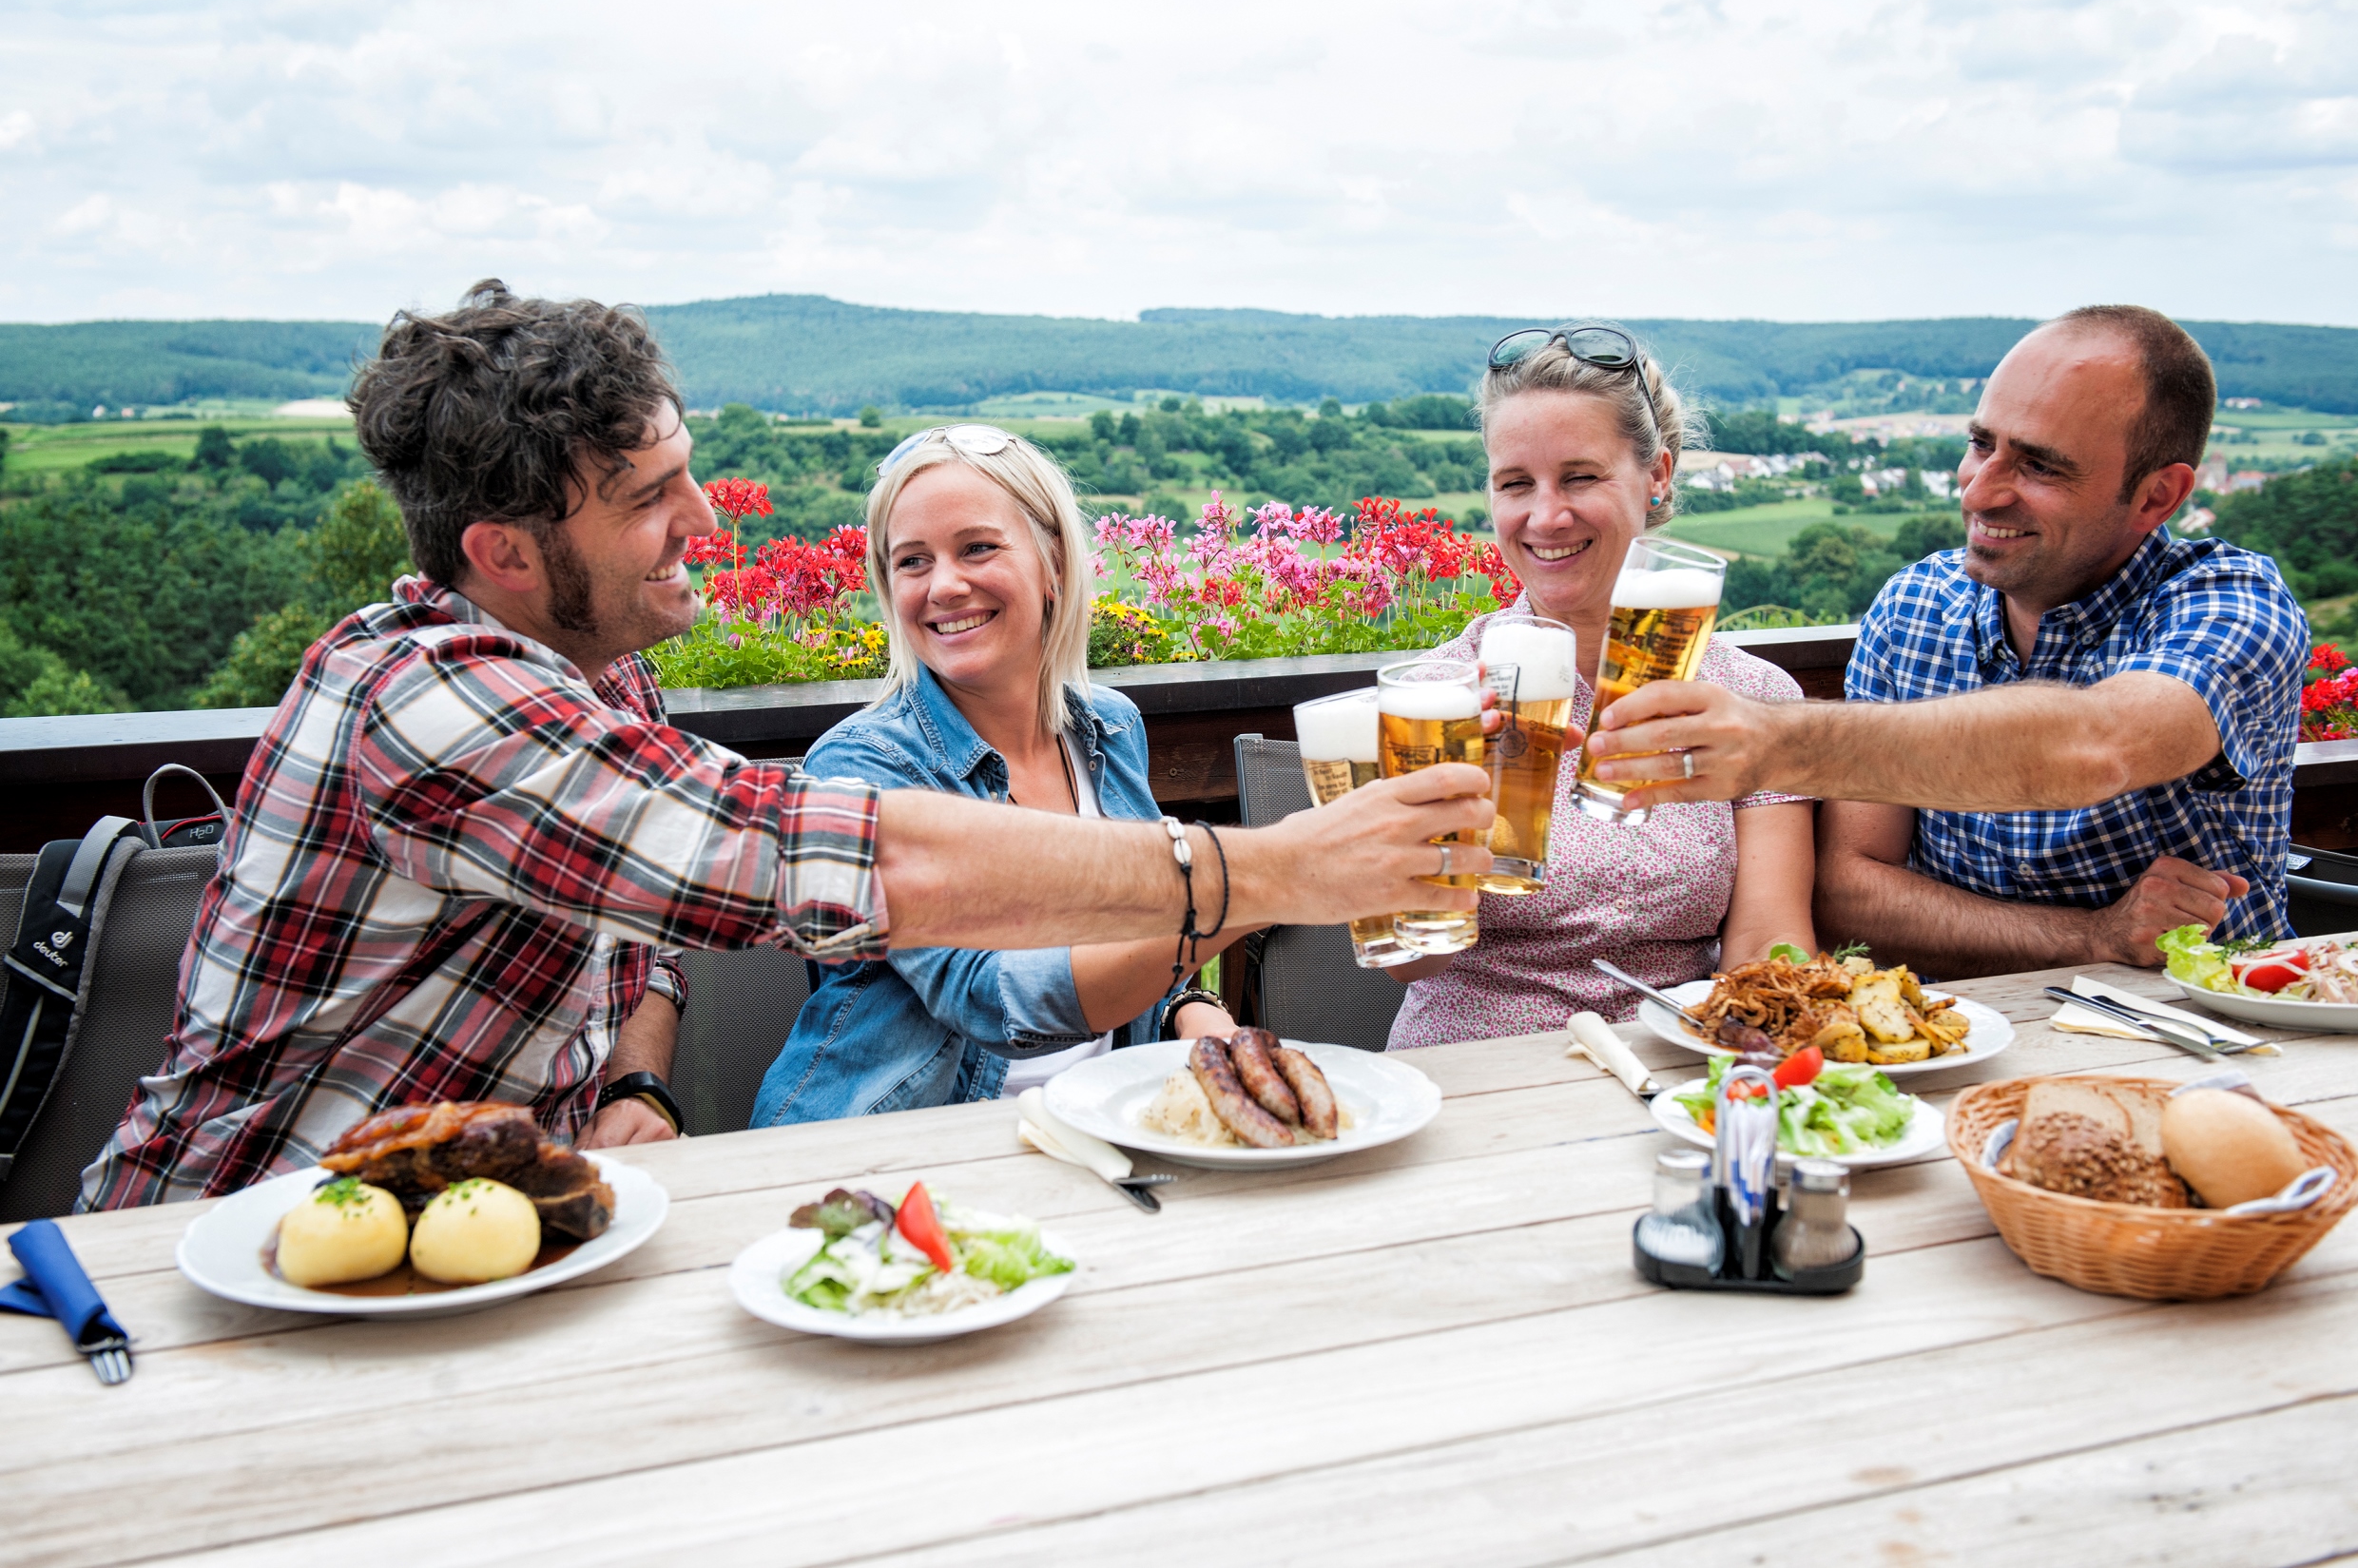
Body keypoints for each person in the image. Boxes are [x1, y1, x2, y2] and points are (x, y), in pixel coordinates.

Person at [79, 281, 1497, 1209]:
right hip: (222, 1256)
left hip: (478, 1233)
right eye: (651, 498)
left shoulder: (598, 680)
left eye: (689, 469)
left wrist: (633, 1081)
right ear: (503, 552)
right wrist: (1263, 871)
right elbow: (802, 859)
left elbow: (635, 932)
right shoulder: (427, 700)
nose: (708, 524)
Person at [1583, 305, 2307, 977]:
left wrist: (1776, 742)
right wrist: (2091, 938)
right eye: (1980, 444)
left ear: (2157, 496)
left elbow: (2098, 746)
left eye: (2040, 466)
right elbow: (1850, 895)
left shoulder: (2232, 605)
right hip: (1963, 1044)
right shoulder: (1917, 605)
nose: (1978, 490)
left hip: (2210, 1033)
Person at [753, 428, 1245, 1123]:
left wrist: (1189, 1009)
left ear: (1055, 566)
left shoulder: (1108, 728)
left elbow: (1136, 947)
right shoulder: (863, 769)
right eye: (913, 561)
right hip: (897, 1157)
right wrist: (1248, 887)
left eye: (977, 547)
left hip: (1093, 1134)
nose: (945, 586)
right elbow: (987, 996)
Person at [1384, 323, 1819, 1050]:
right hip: (1477, 1068)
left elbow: (1769, 946)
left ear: (1657, 476)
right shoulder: (1439, 694)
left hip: (1677, 1061)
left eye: (1580, 477)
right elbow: (1410, 961)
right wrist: (1465, 817)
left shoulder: (1750, 698)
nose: (1546, 516)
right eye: (1515, 484)